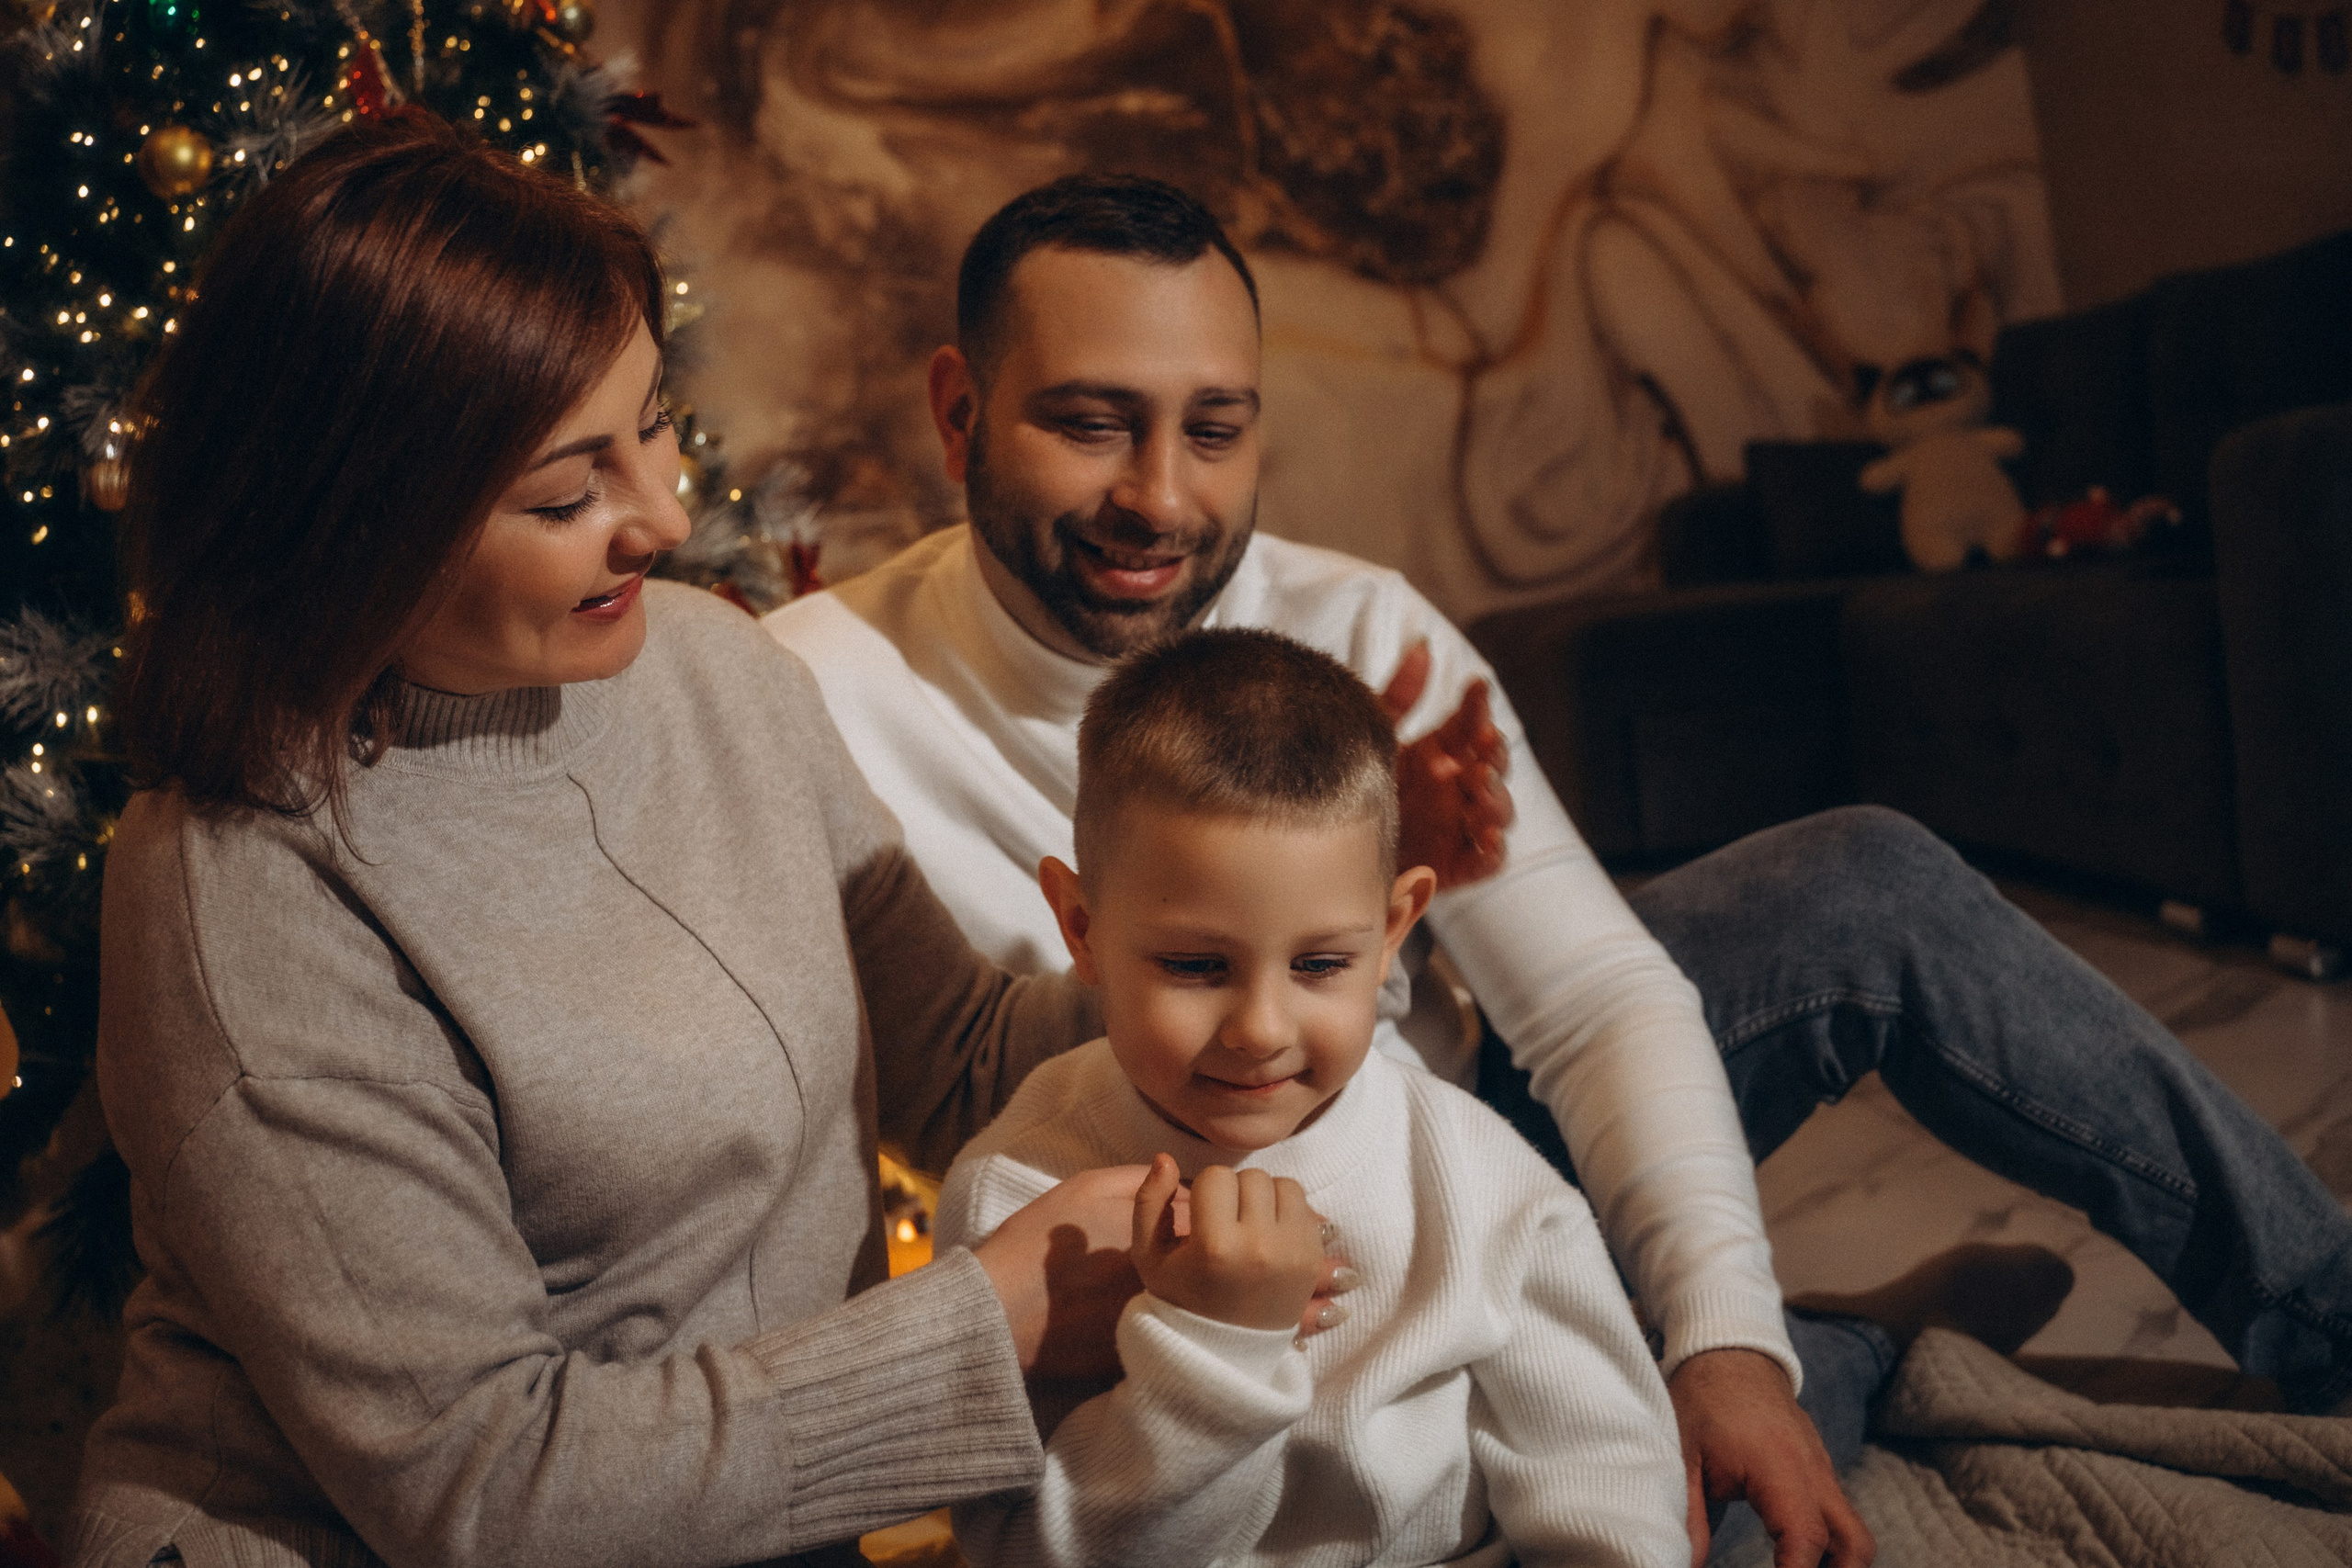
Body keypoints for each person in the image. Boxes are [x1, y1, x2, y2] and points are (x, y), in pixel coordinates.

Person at [765, 174, 2352, 1565]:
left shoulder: (1367, 629)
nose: (1162, 498)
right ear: (963, 411)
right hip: (1136, 1257)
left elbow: (1590, 998)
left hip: (1448, 1165)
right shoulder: (800, 695)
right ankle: (1856, 1350)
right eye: (1093, 420)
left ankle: (2305, 1319)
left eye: (1216, 429)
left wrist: (1722, 1347)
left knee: (1864, 879)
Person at [65, 118, 1176, 1568]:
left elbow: (961, 1055)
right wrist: (997, 1321)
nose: (667, 514)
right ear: (356, 520)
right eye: (563, 494)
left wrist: (1240, 966)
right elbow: (487, 1481)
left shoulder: (714, 668)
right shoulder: (243, 891)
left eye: (652, 424)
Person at [938, 627, 1689, 1568]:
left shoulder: (1470, 1168)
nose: (1260, 1027)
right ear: (1081, 926)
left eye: (1321, 964)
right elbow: (1028, 1552)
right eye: (1195, 965)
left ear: (1392, 931)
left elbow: (1603, 1466)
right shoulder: (1016, 1197)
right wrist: (1214, 1354)